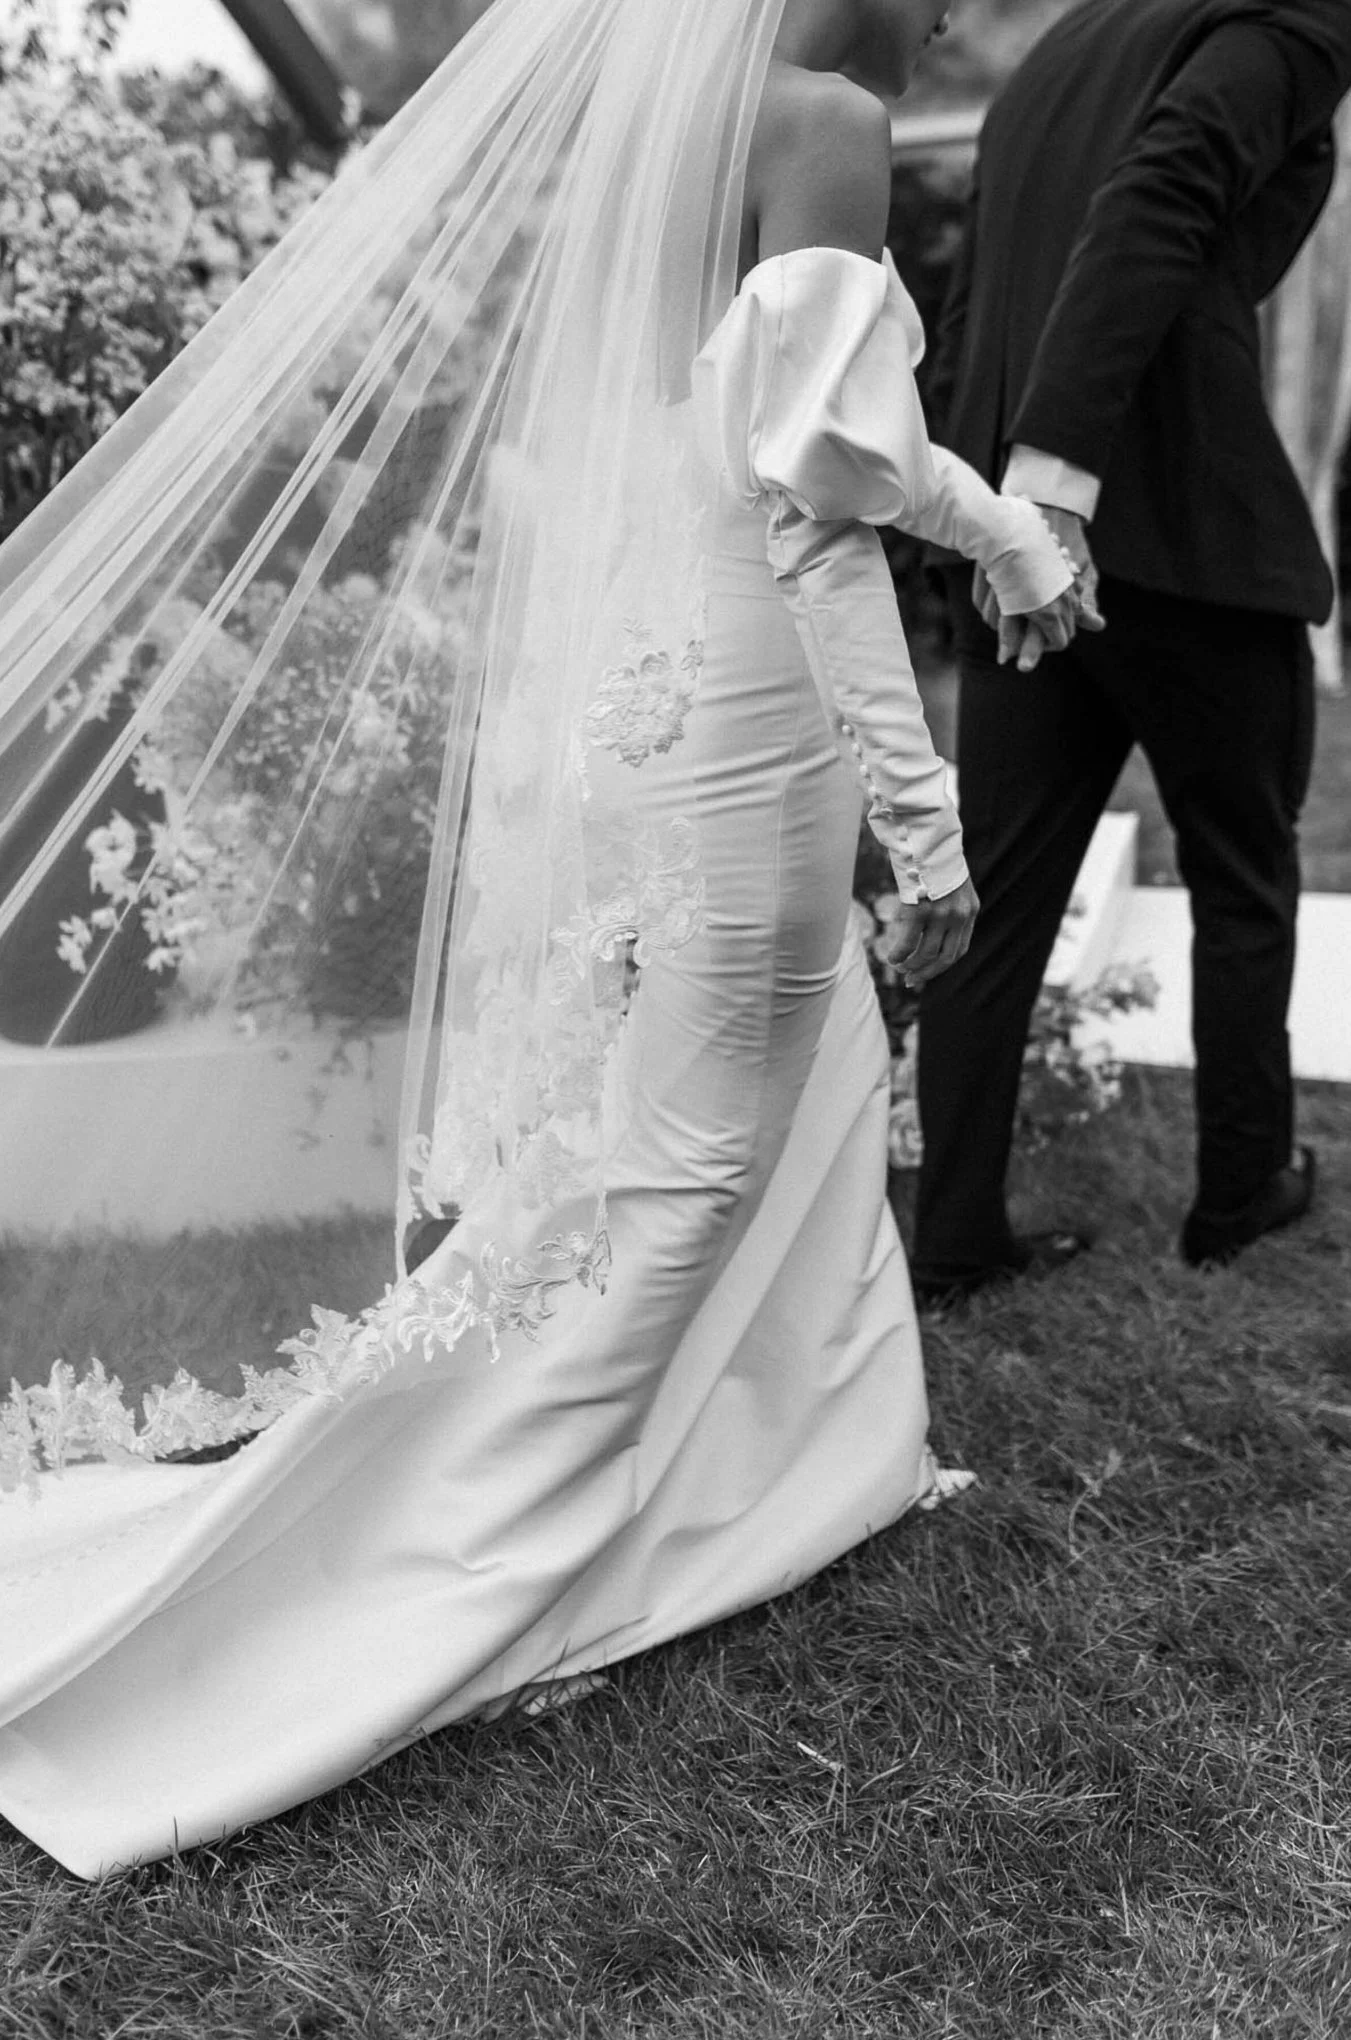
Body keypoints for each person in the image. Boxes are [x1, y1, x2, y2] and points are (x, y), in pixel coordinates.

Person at [0, 0, 1080, 1878]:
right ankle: (479, 1587)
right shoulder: (819, 120)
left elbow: (735, 446)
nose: (941, 8)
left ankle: (815, 1460)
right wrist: (928, 817)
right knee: (686, 1178)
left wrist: (990, 532)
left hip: (634, 691)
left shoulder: (660, 137)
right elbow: (818, 508)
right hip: (747, 713)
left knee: (783, 1085)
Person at [912, 0, 1351, 1303]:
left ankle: (953, 1237)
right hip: (1173, 526)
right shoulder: (1297, 14)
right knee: (1241, 871)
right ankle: (1239, 1191)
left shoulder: (1062, 46)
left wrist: (975, 512)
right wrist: (1054, 483)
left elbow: (977, 294)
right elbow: (1162, 193)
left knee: (999, 892)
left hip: (1016, 530)